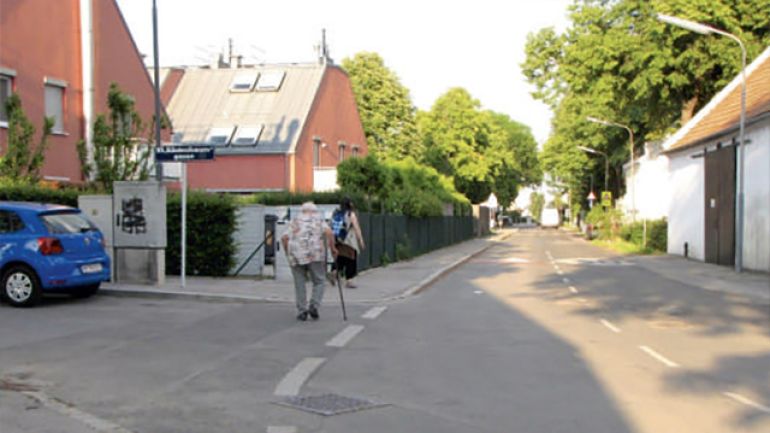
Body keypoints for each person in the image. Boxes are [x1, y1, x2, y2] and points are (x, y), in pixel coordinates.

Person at [281, 202, 337, 321]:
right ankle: (314, 305)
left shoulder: (295, 221)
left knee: (299, 283)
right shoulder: (318, 220)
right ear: (315, 211)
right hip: (315, 255)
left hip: (296, 255)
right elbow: (329, 233)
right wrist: (333, 248)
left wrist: (288, 253)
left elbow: (284, 238)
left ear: (302, 211)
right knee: (319, 281)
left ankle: (302, 311)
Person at [331, 197, 365, 288]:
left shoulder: (336, 213)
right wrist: (360, 240)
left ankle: (334, 271)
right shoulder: (351, 214)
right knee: (351, 260)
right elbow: (357, 228)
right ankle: (349, 280)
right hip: (349, 241)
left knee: (340, 258)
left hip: (338, 240)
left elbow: (331, 226)